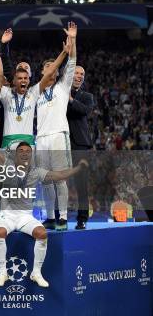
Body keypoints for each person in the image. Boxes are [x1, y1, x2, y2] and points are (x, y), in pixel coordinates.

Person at [0, 121, 89, 288]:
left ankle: (36, 273)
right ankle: (2, 272)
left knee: (42, 233)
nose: (25, 154)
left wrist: (78, 169)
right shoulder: (7, 165)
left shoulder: (36, 172)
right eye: (21, 151)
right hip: (7, 215)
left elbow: (59, 175)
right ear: (15, 154)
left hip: (25, 216)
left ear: (31, 155)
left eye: (28, 151)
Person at [37, 22, 78, 231]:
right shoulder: (36, 92)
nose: (51, 69)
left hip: (58, 136)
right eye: (47, 67)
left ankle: (62, 217)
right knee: (45, 180)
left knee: (60, 178)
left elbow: (71, 63)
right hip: (40, 138)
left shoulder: (62, 87)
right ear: (43, 72)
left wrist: (72, 39)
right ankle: (51, 217)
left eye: (53, 66)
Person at [0, 39, 72, 150]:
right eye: (19, 77)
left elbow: (50, 73)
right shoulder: (6, 93)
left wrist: (64, 53)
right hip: (8, 141)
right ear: (13, 79)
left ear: (30, 77)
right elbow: (2, 72)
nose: (22, 79)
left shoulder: (34, 92)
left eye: (25, 77)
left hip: (29, 141)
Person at [67, 64, 95, 229]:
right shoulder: (59, 92)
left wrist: (69, 99)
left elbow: (84, 110)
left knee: (81, 184)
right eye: (76, 73)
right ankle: (58, 217)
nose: (79, 76)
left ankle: (82, 218)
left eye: (82, 74)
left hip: (80, 144)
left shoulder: (87, 96)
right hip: (61, 142)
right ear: (70, 75)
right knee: (59, 181)